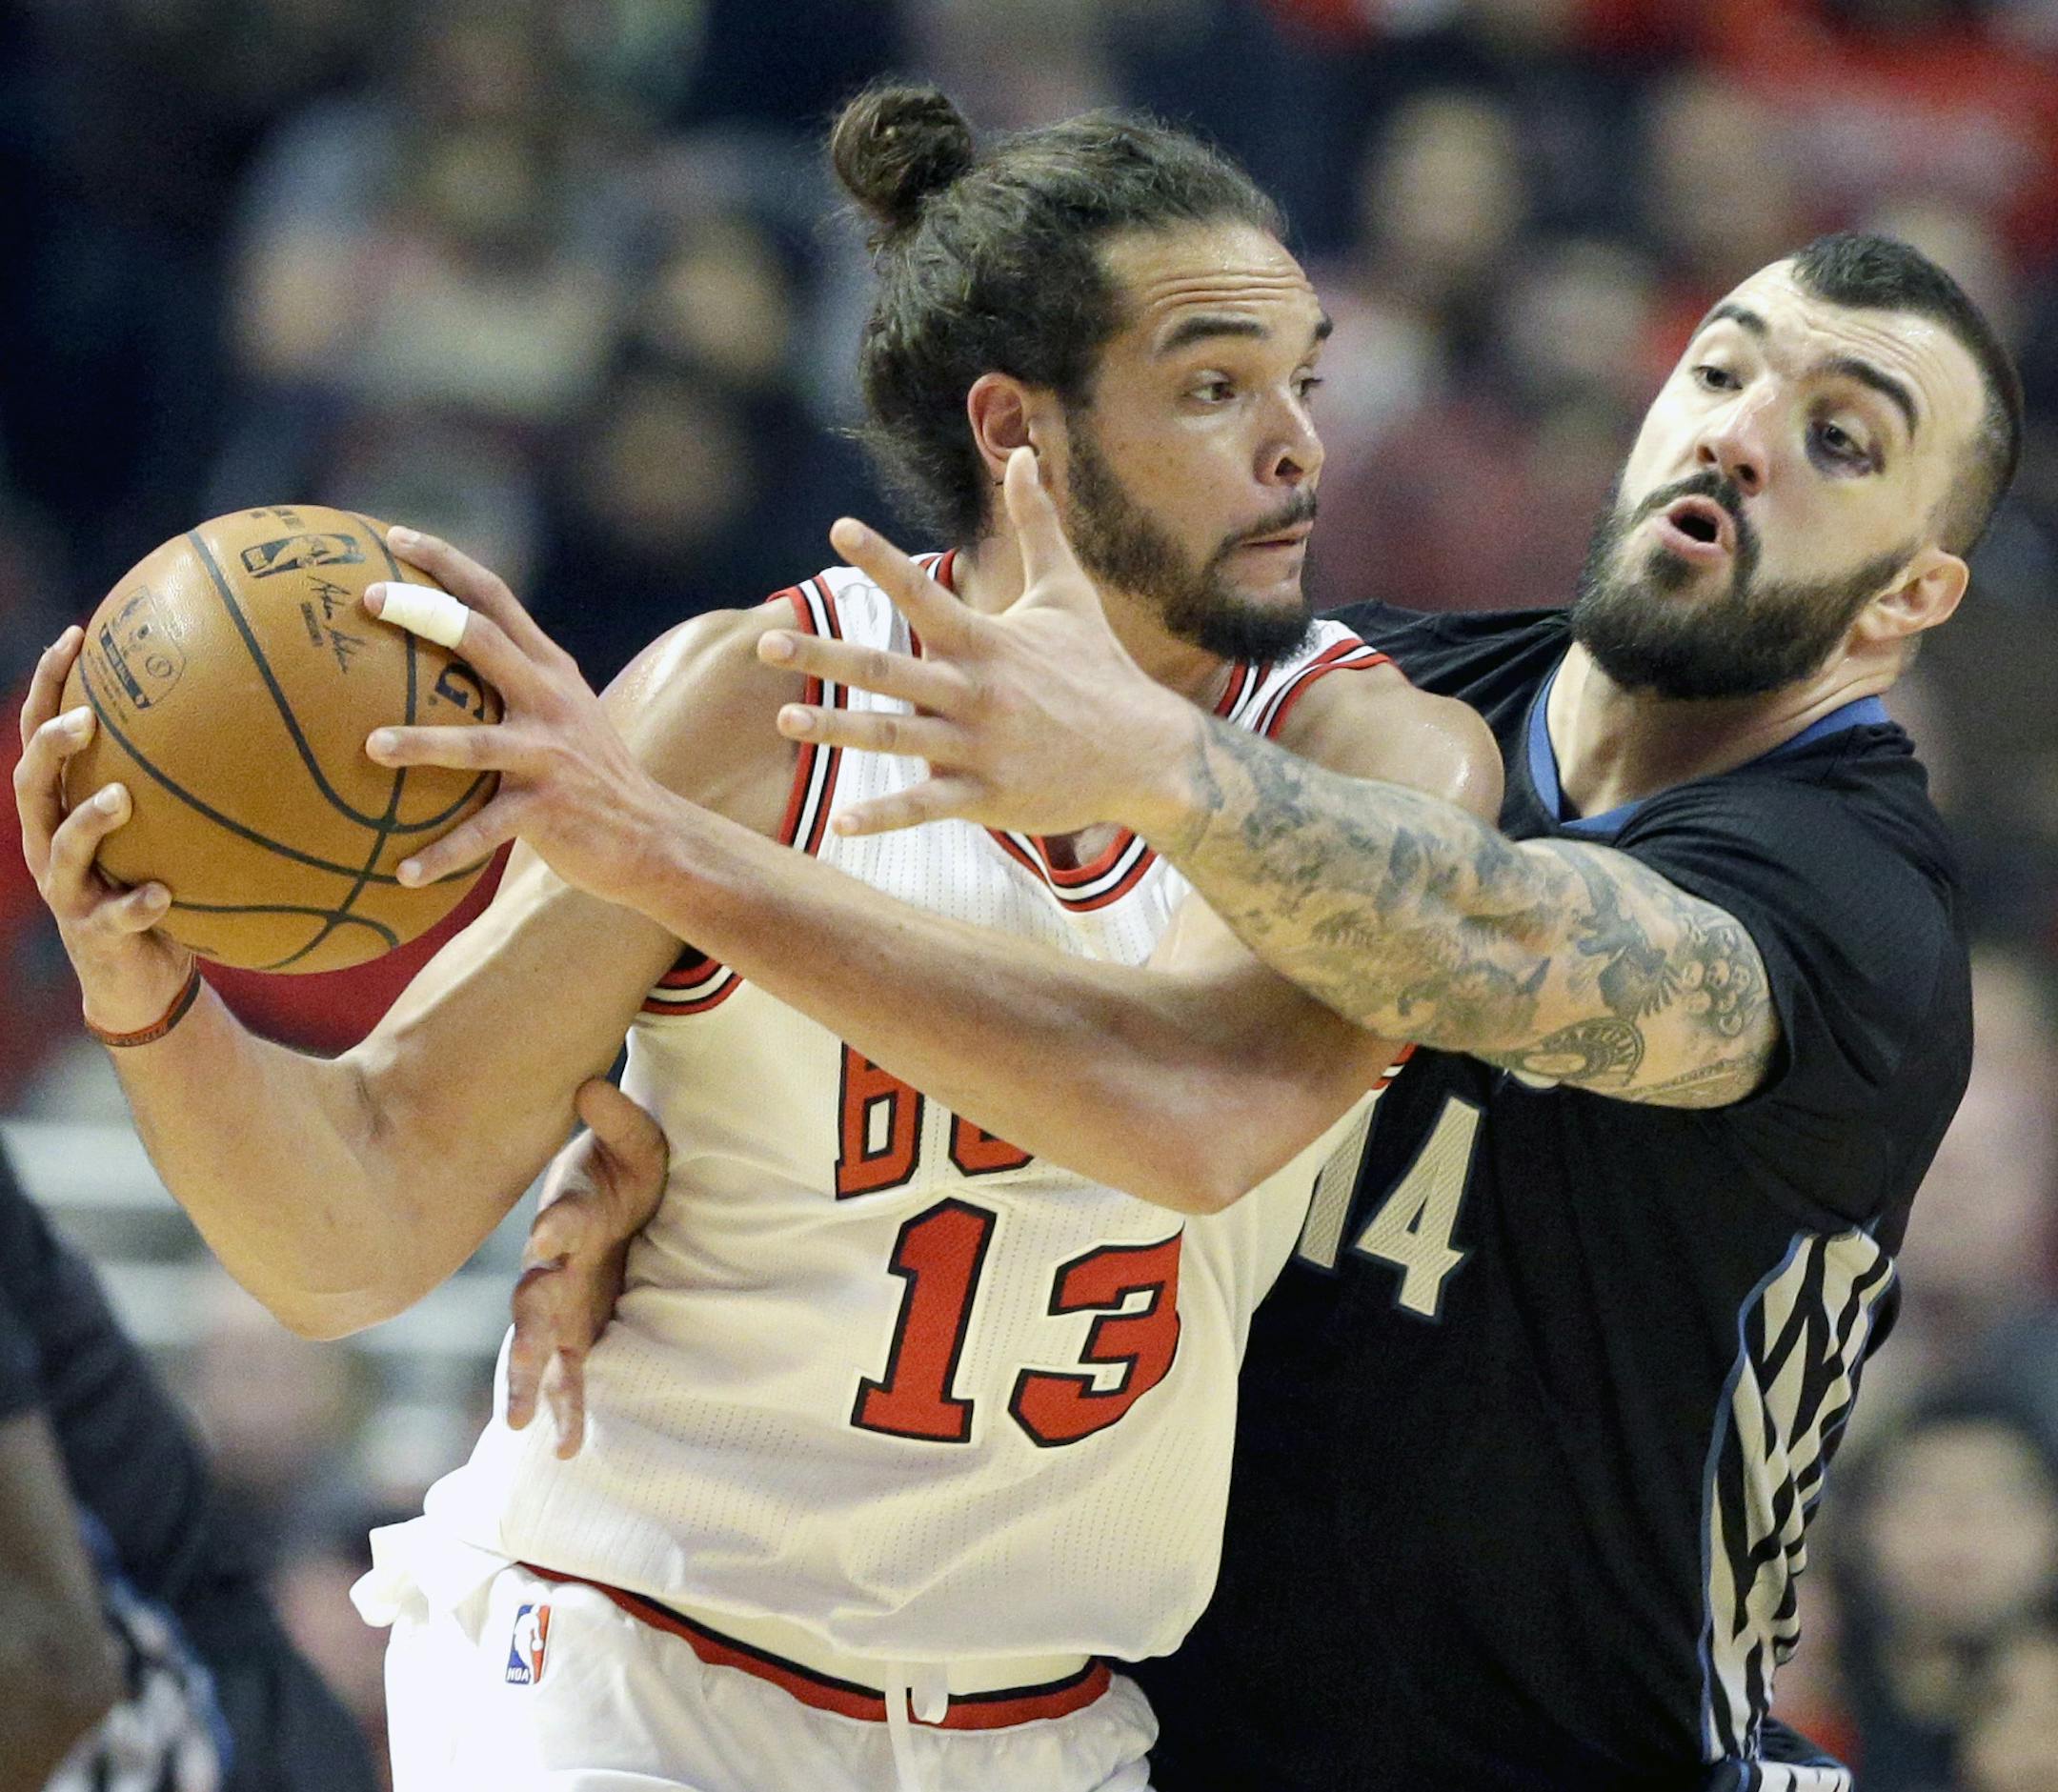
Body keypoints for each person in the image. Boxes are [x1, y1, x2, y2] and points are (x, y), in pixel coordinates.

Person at [13, 89, 1494, 1792]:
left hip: (1035, 1721)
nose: (1301, 439)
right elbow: (355, 1220)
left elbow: (1202, 1120)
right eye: (1217, 386)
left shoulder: (1379, 765)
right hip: (621, 1659)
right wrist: (152, 998)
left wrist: (683, 869)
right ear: (1020, 430)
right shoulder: (752, 710)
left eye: (1305, 376)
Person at [733, 230, 2017, 1788]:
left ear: (1914, 592)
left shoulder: (1858, 905)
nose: (1742, 431)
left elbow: (1480, 941)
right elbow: (975, 953)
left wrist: (1151, 755)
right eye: (1722, 367)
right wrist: (662, 1126)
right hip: (1127, 1734)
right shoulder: (1366, 700)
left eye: (1839, 438)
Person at [0, 1142, 377, 1792]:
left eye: (269, 1367)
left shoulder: (353, 1518)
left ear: (334, 1388)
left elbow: (50, 1669)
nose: (252, 1394)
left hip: (236, 1743)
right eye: (233, 1365)